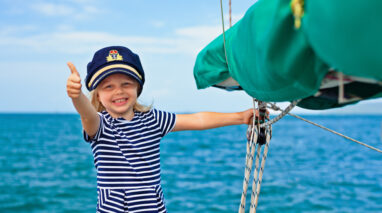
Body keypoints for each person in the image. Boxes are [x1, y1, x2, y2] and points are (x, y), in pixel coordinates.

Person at [66, 46, 255, 213]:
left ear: (137, 88)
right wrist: (77, 97)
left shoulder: (153, 119)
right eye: (108, 87)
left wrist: (240, 117)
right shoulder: (101, 125)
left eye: (126, 84)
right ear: (98, 96)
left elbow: (197, 120)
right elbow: (87, 115)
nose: (119, 91)